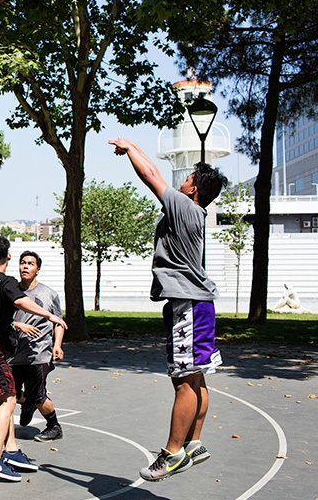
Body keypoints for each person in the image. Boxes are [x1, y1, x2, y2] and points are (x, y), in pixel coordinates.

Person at [111, 137, 227, 482]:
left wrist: (130, 146)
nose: (185, 177)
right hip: (197, 303)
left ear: (193, 189)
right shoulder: (194, 210)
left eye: (190, 176)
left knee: (182, 382)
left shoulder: (184, 207)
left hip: (187, 305)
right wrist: (133, 148)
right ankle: (193, 443)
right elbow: (156, 170)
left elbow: (150, 175)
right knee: (196, 375)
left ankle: (173, 453)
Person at [0, 235, 67, 482]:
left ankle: (10, 451)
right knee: (9, 399)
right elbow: (22, 302)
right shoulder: (7, 282)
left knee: (6, 399)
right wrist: (50, 316)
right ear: (9, 256)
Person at [10, 251, 65, 443]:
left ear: (37, 269)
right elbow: (2, 320)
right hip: (15, 354)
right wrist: (19, 325)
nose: (25, 266)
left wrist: (57, 345)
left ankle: (54, 426)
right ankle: (27, 404)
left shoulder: (48, 294)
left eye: (30, 264)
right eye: (22, 263)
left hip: (40, 353)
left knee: (38, 394)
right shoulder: (11, 292)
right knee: (12, 392)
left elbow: (59, 322)